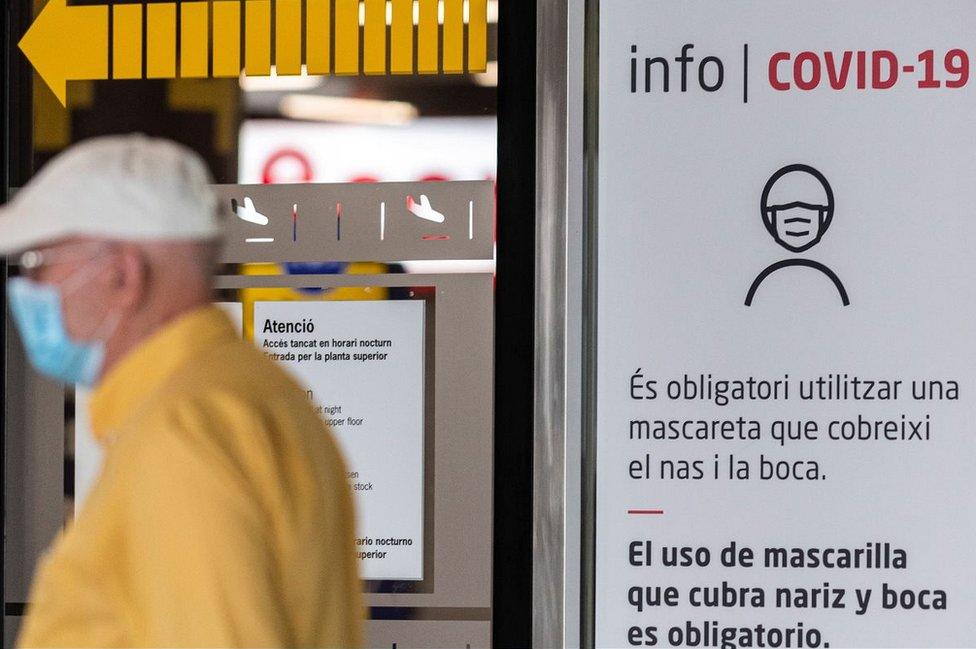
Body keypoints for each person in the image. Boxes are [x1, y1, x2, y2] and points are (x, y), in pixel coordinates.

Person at [1, 135, 362, 647]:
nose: (28, 288)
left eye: (40, 262)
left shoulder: (180, 433)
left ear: (122, 276)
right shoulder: (257, 392)